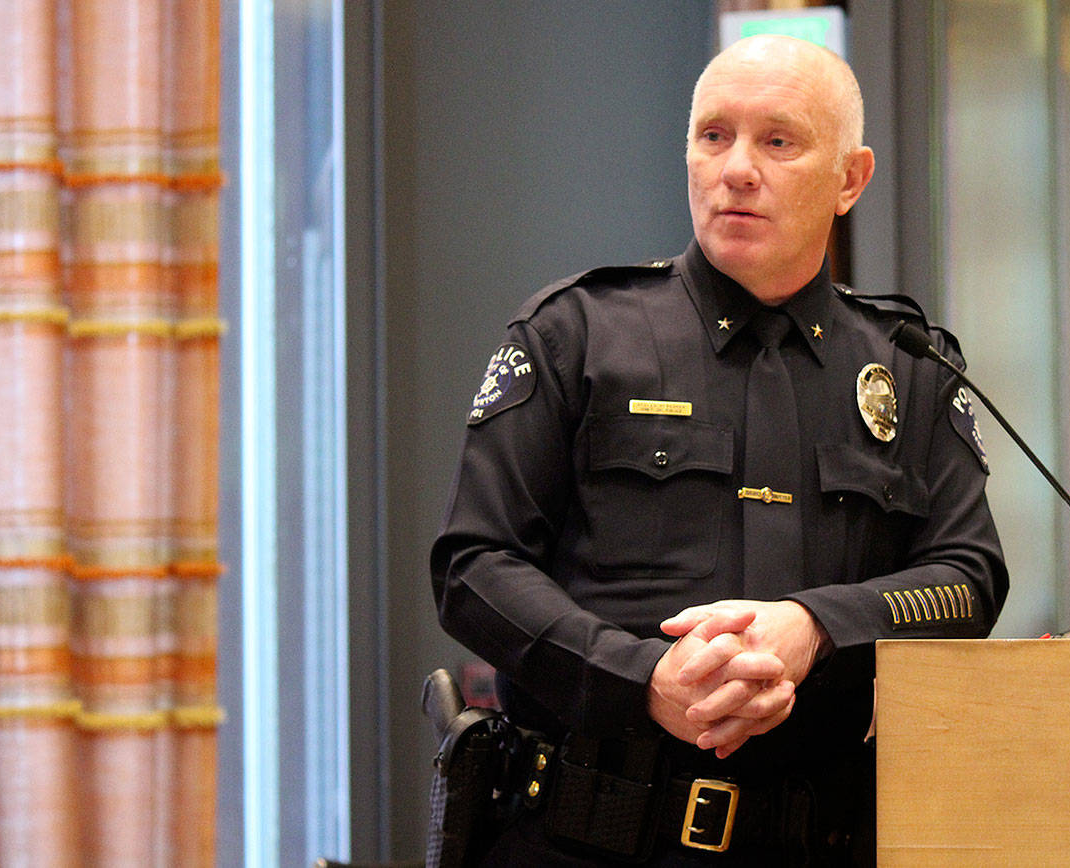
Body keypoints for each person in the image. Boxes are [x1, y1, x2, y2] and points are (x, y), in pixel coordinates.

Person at [430, 34, 1007, 866]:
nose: (737, 168)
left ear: (850, 179)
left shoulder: (908, 366)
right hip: (587, 836)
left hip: (819, 840)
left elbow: (969, 578)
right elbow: (473, 565)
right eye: (714, 136)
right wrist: (642, 682)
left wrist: (818, 627)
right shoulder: (577, 332)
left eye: (778, 141)